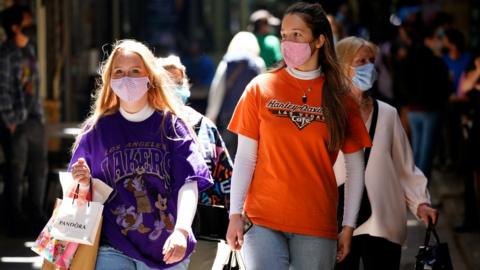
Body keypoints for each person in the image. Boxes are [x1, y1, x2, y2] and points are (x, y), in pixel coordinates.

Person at [226, 2, 372, 269]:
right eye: (284, 35)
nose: (288, 42)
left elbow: (355, 167)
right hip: (262, 220)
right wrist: (235, 213)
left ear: (319, 40)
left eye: (297, 34)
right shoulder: (260, 87)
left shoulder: (341, 97)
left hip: (316, 221)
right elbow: (245, 157)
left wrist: (349, 226)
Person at [68, 39, 213, 270]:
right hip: (111, 245)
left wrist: (182, 231)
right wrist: (82, 181)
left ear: (150, 78)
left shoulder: (172, 127)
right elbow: (76, 190)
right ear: (109, 80)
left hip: (167, 248)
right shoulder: (97, 130)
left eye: (135, 71)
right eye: (119, 72)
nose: (127, 78)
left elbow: (189, 183)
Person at [334, 36, 438, 270]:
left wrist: (420, 203)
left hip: (383, 221)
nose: (369, 67)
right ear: (341, 66)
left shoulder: (388, 114)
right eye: (360, 62)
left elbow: (404, 168)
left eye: (371, 61)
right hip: (336, 221)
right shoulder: (327, 114)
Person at [158, 54, 234, 270]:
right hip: (154, 234)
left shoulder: (204, 126)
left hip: (201, 233)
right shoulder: (141, 128)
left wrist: (236, 218)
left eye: (178, 81)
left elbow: (225, 176)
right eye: (166, 81)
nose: (173, 87)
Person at [0, 5, 48, 233]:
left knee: (39, 167)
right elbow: (2, 89)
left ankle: (36, 215)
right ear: (14, 26)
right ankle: (14, 217)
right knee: (16, 170)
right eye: (26, 21)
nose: (30, 25)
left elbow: (35, 82)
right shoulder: (6, 53)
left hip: (34, 117)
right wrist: (9, 119)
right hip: (16, 121)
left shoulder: (29, 48)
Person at [206, 31, 265, 157]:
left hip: (229, 114)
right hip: (252, 116)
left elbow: (217, 90)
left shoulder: (227, 63)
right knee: (250, 153)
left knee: (228, 152)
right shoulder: (258, 63)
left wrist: (211, 115)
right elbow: (264, 91)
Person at [404, 27, 452, 179]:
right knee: (425, 155)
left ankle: (415, 195)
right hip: (431, 111)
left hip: (413, 110)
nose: (440, 42)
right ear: (428, 40)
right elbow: (446, 87)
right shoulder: (437, 62)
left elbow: (402, 83)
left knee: (417, 153)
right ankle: (423, 197)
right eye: (437, 38)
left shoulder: (409, 58)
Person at [457, 51, 480, 232]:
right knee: (469, 173)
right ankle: (470, 217)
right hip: (474, 132)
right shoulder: (472, 74)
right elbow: (465, 88)